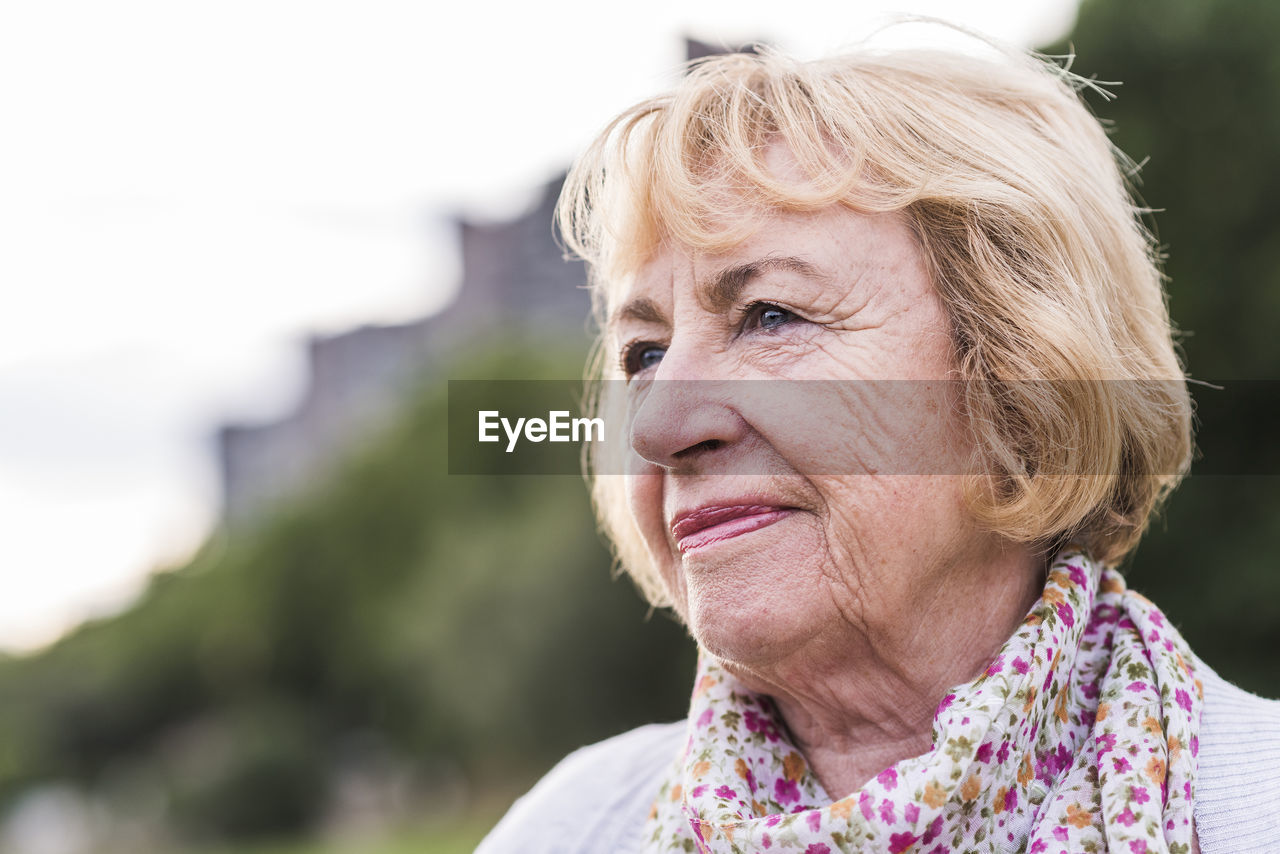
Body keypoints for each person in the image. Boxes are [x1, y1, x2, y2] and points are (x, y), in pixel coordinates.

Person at [478, 38, 1280, 854]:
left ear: (1019, 378)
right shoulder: (567, 830)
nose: (656, 429)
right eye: (644, 356)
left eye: (771, 315)